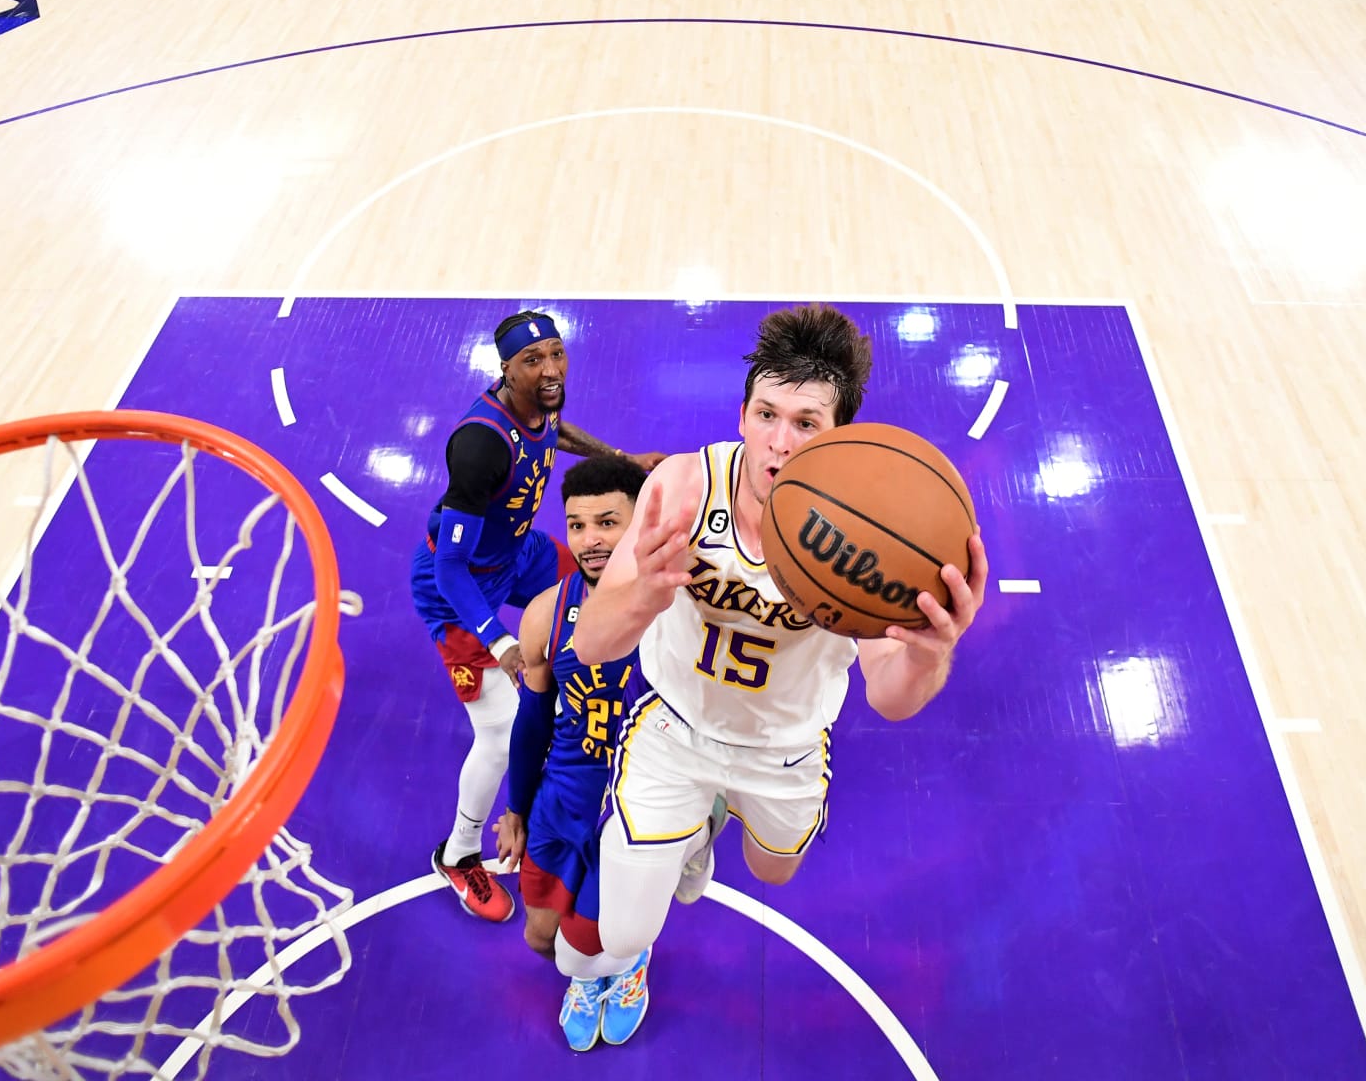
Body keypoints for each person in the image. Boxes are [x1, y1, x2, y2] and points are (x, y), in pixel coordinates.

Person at [569, 303, 990, 1003]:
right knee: (621, 932)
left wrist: (929, 652)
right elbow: (590, 645)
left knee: (773, 871)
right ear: (742, 416)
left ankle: (704, 825)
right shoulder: (682, 489)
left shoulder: (866, 530)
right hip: (675, 728)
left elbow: (891, 699)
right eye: (767, 415)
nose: (779, 443)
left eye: (806, 424)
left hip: (784, 748)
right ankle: (641, 938)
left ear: (839, 437)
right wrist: (643, 595)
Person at [408, 310, 663, 922]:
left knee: (602, 583)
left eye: (556, 354)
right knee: (499, 735)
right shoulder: (479, 447)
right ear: (506, 369)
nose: (550, 370)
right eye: (533, 360)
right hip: (461, 587)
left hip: (518, 555)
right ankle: (459, 852)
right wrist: (500, 644)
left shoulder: (538, 403)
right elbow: (450, 568)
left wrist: (622, 459)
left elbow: (556, 431)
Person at [491, 454, 650, 1051]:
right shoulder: (546, 613)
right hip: (565, 793)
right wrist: (517, 808)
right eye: (578, 525)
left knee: (603, 934)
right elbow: (532, 720)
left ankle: (627, 966)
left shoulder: (677, 613)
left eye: (608, 522)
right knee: (541, 938)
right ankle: (595, 971)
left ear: (640, 522)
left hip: (635, 805)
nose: (590, 540)